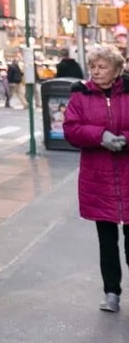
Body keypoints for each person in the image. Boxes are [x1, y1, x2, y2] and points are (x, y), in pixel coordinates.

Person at [62, 43, 129, 312]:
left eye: (102, 67)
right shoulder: (81, 96)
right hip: (98, 179)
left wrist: (125, 139)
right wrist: (100, 136)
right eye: (93, 67)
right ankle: (111, 292)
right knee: (107, 242)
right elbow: (70, 129)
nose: (96, 71)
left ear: (116, 70)